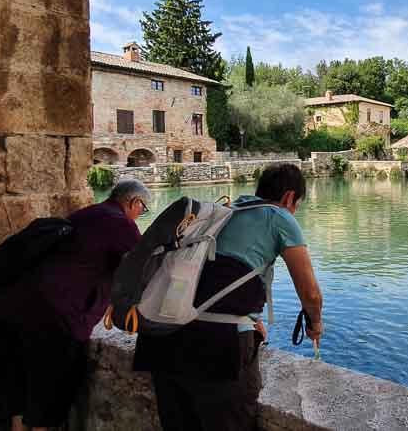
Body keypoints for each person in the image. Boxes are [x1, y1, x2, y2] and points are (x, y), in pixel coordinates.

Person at [134, 163, 323, 431]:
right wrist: (315, 324)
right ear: (289, 197)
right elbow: (310, 294)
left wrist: (249, 318)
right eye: (297, 205)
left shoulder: (222, 210)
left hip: (163, 337)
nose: (294, 211)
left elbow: (205, 275)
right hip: (218, 348)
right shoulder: (279, 216)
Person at [0, 179, 148, 431]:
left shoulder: (85, 214)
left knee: (19, 389)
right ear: (134, 202)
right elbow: (144, 267)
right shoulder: (121, 224)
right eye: (143, 209)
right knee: (49, 394)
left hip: (20, 306)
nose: (140, 214)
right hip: (57, 315)